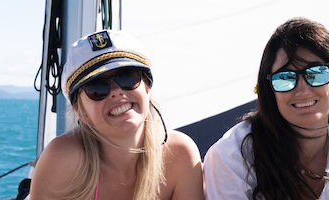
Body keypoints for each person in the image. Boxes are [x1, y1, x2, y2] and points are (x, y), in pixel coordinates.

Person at [203, 17, 329, 200]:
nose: (302, 90)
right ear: (271, 91)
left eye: (316, 73)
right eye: (285, 78)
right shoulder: (232, 155)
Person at [30, 30, 204, 200]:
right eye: (97, 88)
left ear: (146, 88)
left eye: (128, 77)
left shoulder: (180, 156)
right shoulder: (62, 159)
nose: (116, 91)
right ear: (81, 111)